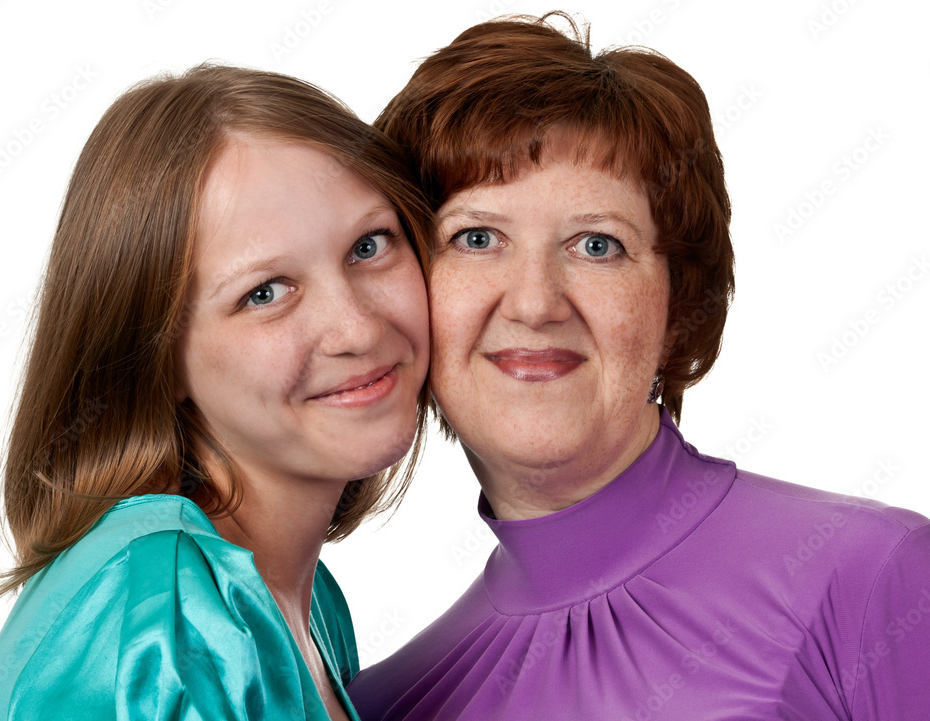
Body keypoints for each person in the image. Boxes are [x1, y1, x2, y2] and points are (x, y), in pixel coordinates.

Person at [347, 14, 930, 721]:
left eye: (598, 245)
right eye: (476, 238)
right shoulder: (383, 703)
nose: (535, 303)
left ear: (678, 307)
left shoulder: (876, 575)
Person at [0, 64, 431, 721]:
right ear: (159, 357)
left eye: (368, 246)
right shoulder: (170, 621)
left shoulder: (309, 602)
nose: (358, 329)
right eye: (264, 292)